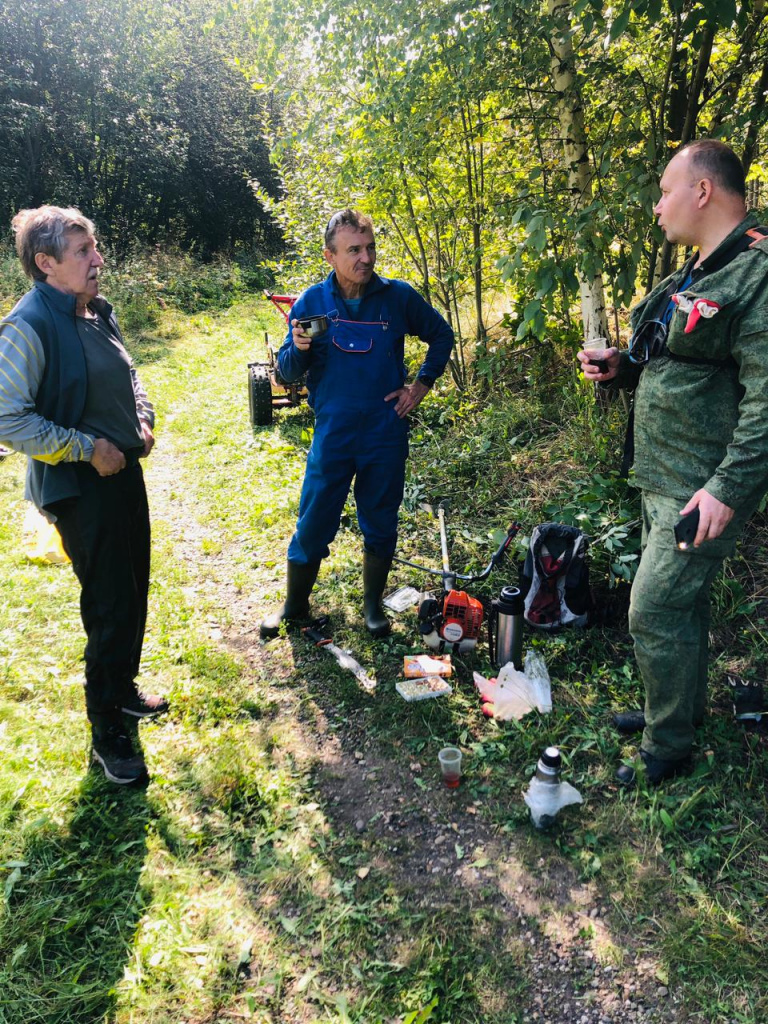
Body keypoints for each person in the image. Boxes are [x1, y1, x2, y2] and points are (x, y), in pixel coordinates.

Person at [578, 140, 768, 784]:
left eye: (665, 190)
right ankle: (675, 716)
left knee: (653, 610)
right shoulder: (696, 270)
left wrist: (728, 487)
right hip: (663, 473)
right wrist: (623, 369)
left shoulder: (756, 273)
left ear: (704, 191)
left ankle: (669, 751)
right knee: (683, 610)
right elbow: (677, 359)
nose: (658, 205)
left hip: (701, 485)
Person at [0, 206, 167, 786]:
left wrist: (142, 416)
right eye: (83, 252)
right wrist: (85, 447)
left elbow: (129, 377)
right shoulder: (28, 325)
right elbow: (8, 418)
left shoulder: (94, 310)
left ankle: (122, 691)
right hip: (79, 485)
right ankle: (106, 733)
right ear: (45, 264)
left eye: (95, 247)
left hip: (123, 471)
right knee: (108, 602)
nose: (98, 260)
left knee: (134, 584)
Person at [260, 209, 454, 639]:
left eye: (369, 248)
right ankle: (294, 606)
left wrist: (419, 386)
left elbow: (442, 335)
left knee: (381, 521)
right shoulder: (312, 302)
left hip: (384, 433)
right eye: (354, 250)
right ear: (330, 255)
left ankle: (372, 608)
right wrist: (298, 347)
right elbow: (287, 374)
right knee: (313, 520)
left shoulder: (397, 297)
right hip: (333, 433)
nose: (365, 259)